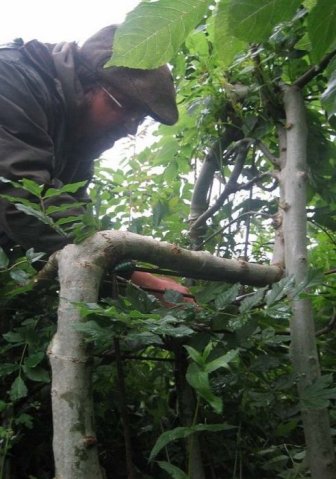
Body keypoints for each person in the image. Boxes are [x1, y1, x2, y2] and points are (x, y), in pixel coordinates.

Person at [0, 24, 193, 302]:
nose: (129, 128)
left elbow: (73, 222)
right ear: (84, 80)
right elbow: (24, 201)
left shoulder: (77, 138)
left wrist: (129, 278)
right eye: (124, 106)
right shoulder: (12, 81)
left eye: (138, 119)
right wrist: (138, 280)